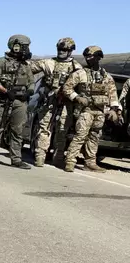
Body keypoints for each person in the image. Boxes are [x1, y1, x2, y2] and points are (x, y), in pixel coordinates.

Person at [62, 46, 122, 173]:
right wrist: (77, 97)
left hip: (100, 112)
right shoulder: (80, 73)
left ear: (98, 58)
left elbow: (112, 94)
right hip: (86, 110)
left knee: (94, 137)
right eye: (87, 57)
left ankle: (90, 163)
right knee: (80, 136)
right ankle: (70, 161)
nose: (88, 60)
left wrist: (114, 109)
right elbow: (67, 88)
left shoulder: (106, 76)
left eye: (91, 57)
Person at [0, 35, 35, 169]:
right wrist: (5, 91)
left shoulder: (25, 65)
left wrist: (29, 92)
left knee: (18, 130)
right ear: (15, 47)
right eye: (24, 47)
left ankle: (16, 158)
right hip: (3, 101)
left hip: (20, 102)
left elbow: (31, 82)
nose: (26, 50)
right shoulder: (1, 62)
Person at [29, 37, 82, 167]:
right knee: (44, 128)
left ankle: (58, 158)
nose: (61, 52)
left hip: (66, 102)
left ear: (70, 51)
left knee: (62, 130)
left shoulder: (77, 68)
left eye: (64, 49)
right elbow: (27, 70)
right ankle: (40, 156)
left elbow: (81, 87)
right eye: (59, 49)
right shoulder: (48, 63)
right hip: (49, 100)